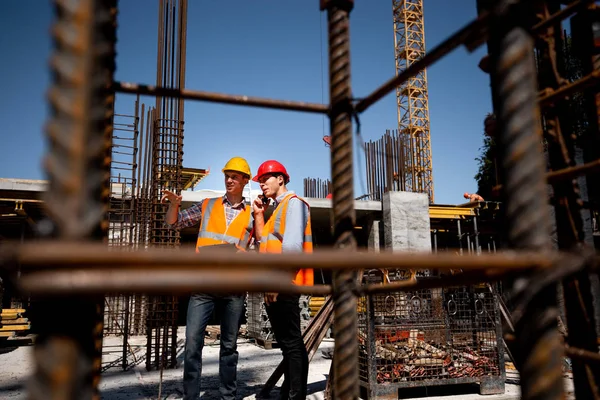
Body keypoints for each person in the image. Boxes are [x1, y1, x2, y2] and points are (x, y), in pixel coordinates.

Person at [162, 156, 253, 400]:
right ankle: (191, 396)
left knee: (229, 346)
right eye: (227, 175)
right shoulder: (207, 205)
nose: (229, 179)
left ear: (245, 180)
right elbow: (175, 223)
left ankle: (228, 395)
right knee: (192, 343)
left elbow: (263, 246)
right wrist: (174, 206)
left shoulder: (254, 215)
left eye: (235, 176)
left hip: (234, 288)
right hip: (203, 286)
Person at [251, 160, 313, 400]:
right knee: (289, 345)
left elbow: (293, 246)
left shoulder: (294, 204)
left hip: (285, 283)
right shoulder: (276, 210)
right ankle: (289, 393)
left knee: (292, 344)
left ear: (281, 179)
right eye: (260, 180)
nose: (262, 183)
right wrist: (258, 215)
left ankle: (296, 396)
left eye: (266, 178)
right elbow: (263, 244)